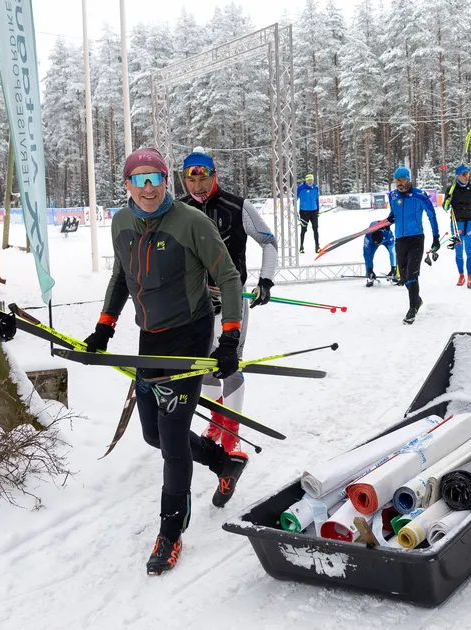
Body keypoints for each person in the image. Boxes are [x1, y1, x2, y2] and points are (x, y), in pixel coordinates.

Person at [84, 147, 247, 576]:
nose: (149, 187)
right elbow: (121, 276)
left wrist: (228, 338)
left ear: (165, 181)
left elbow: (228, 276)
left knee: (172, 444)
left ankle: (170, 535)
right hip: (148, 338)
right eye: (139, 180)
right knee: (153, 434)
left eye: (155, 178)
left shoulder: (192, 222)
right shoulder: (122, 222)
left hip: (190, 335)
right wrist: (104, 327)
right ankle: (223, 461)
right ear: (127, 186)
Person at [179, 151, 277, 455]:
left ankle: (232, 432)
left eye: (203, 177)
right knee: (205, 366)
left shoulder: (237, 206)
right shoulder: (179, 210)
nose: (197, 185)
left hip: (231, 299)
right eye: (191, 179)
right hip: (195, 304)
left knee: (229, 364)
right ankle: (217, 420)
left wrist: (265, 281)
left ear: (214, 176)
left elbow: (268, 241)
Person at [386, 166, 440, 324]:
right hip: (400, 240)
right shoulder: (393, 195)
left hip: (416, 239)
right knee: (403, 276)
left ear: (408, 179)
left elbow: (432, 216)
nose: (399, 184)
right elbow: (393, 215)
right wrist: (387, 222)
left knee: (412, 275)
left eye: (402, 180)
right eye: (396, 181)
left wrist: (436, 237)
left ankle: (412, 309)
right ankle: (417, 299)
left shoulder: (419, 195)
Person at [442, 164, 471, 289]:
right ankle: (461, 275)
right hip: (456, 225)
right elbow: (445, 208)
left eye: (468, 174)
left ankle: (470, 278)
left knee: (470, 252)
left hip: (470, 224)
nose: (467, 176)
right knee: (459, 253)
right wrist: (448, 200)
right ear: (458, 175)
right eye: (464, 174)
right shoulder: (451, 189)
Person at [362, 220, 396, 287]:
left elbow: (393, 252)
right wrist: (370, 269)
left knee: (395, 252)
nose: (378, 244)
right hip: (372, 242)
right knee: (369, 254)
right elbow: (367, 254)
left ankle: (394, 273)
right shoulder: (368, 238)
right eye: (376, 243)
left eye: (378, 243)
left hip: (386, 239)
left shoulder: (388, 234)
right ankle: (369, 276)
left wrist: (393, 268)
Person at [296, 173, 321, 253]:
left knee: (315, 229)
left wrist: (318, 210)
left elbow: (317, 199)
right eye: (308, 180)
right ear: (306, 180)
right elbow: (295, 198)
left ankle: (317, 246)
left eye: (311, 180)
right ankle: (301, 246)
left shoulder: (315, 187)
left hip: (314, 211)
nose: (310, 182)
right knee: (303, 230)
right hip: (304, 211)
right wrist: (294, 209)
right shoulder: (301, 188)